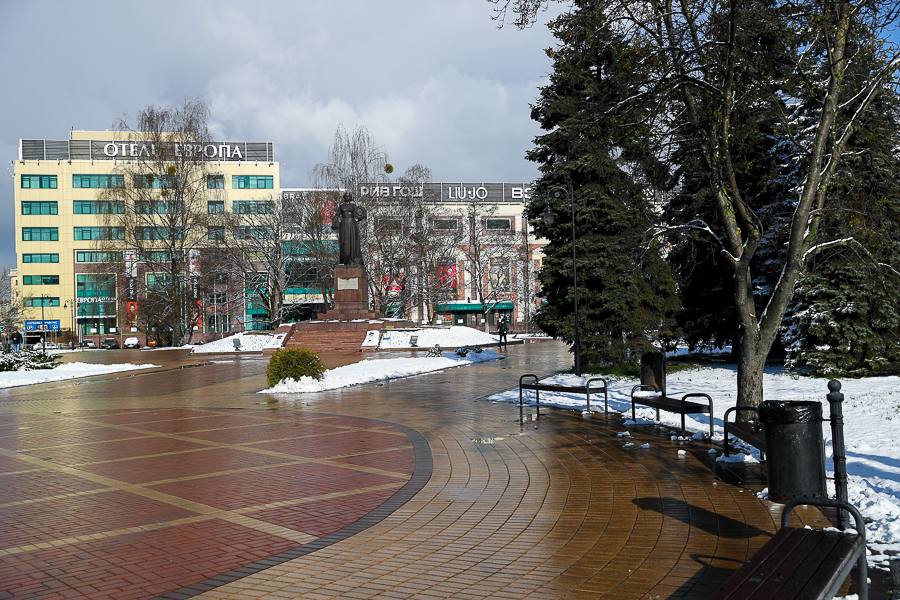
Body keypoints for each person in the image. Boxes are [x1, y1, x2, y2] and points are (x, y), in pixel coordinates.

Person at [331, 192, 367, 266]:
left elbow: (359, 214)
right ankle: (345, 259)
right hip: (344, 224)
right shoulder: (341, 206)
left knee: (352, 241)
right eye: (346, 196)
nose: (347, 197)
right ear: (344, 197)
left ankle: (353, 258)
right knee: (344, 241)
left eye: (348, 196)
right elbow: (337, 215)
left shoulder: (353, 206)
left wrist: (360, 218)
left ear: (350, 197)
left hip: (352, 224)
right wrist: (334, 223)